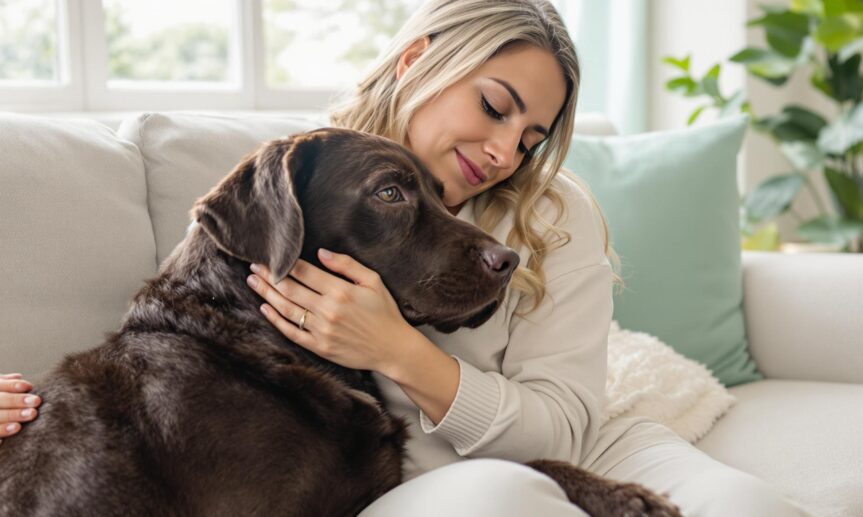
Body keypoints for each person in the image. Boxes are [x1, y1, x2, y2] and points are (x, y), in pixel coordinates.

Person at [0, 1, 810, 515]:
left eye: (531, 138)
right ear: (421, 59)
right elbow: (166, 347)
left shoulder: (553, 213)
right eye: (494, 105)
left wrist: (397, 350)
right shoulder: (307, 177)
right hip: (462, 484)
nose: (503, 151)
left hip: (580, 440)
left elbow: (568, 420)